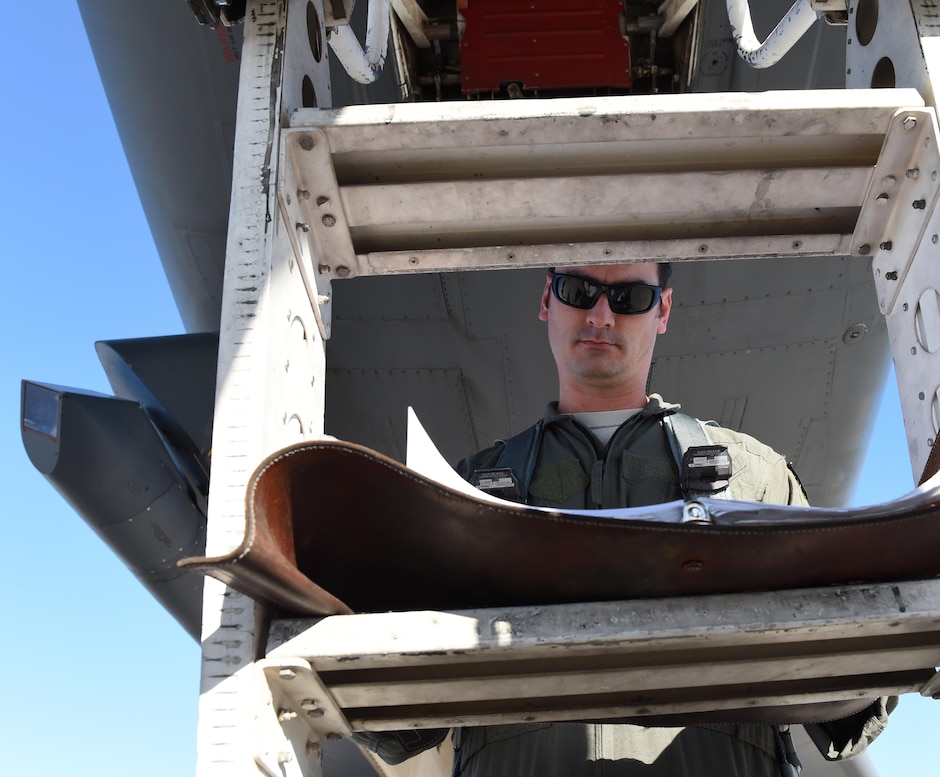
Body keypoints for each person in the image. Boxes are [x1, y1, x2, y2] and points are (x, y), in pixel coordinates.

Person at [356, 262, 892, 774]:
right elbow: (399, 725)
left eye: (630, 298)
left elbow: (852, 703)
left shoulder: (755, 479)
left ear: (662, 311)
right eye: (578, 292)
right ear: (548, 300)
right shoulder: (465, 492)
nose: (601, 316)